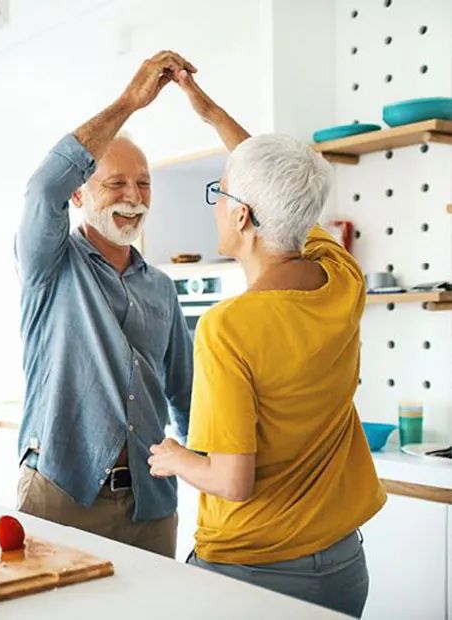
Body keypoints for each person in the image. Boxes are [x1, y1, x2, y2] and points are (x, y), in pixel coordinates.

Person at [147, 68, 386, 617]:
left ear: (243, 216)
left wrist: (175, 456)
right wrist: (209, 114)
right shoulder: (341, 275)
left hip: (250, 578)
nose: (216, 205)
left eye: (220, 193)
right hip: (343, 568)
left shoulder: (229, 326)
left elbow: (231, 480)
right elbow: (286, 192)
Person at [14, 51, 196, 558]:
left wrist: (212, 469)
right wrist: (130, 103)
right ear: (79, 196)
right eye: (115, 183)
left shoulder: (160, 286)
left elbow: (187, 392)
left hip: (151, 501)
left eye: (142, 184)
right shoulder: (49, 265)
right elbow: (42, 188)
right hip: (63, 493)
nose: (132, 196)